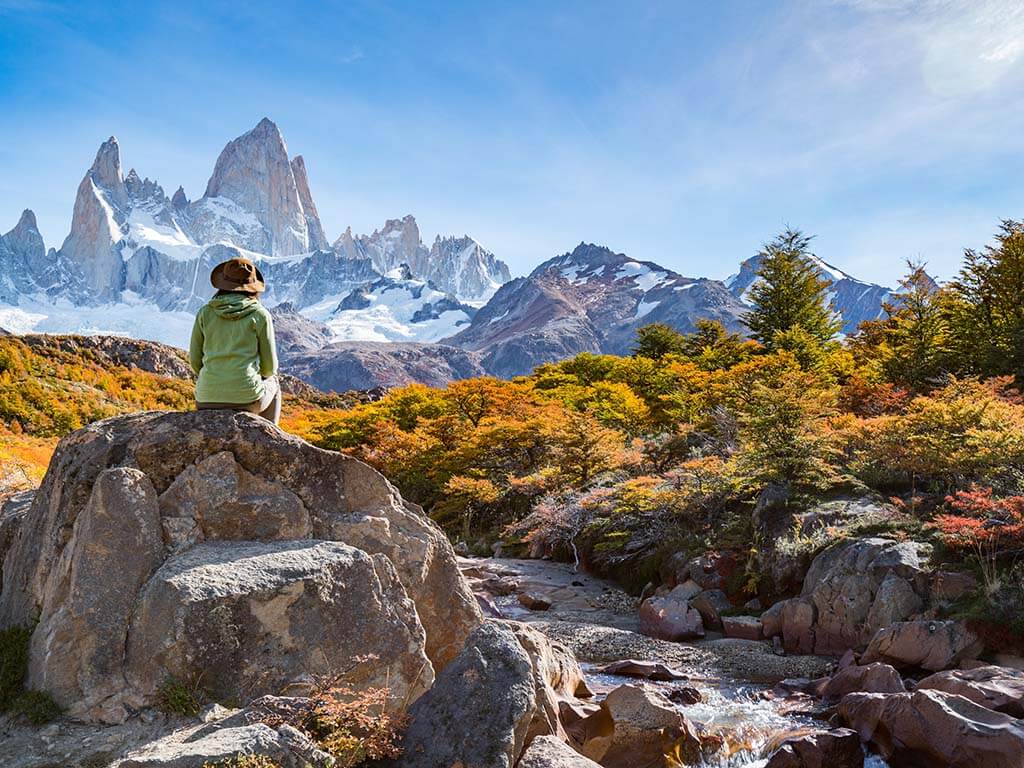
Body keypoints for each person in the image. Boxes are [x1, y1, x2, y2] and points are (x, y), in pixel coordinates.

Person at [189, 257, 281, 424]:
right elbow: (269, 368)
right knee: (273, 381)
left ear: (222, 284)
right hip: (248, 399)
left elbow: (195, 362)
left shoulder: (205, 312)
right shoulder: (260, 315)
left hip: (206, 398)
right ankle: (269, 435)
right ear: (252, 287)